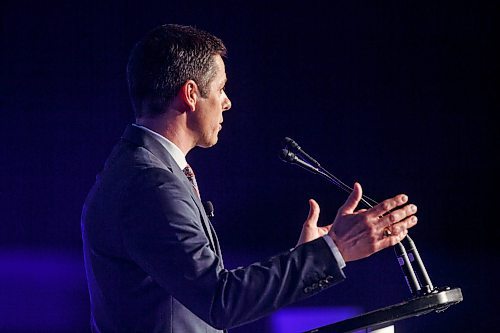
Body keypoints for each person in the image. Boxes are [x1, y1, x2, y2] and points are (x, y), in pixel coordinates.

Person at [81, 23, 418, 332]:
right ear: (191, 94)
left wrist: (308, 255)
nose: (227, 103)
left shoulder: (137, 170)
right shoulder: (150, 184)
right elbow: (219, 300)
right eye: (221, 89)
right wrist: (336, 249)